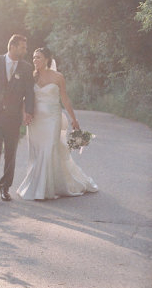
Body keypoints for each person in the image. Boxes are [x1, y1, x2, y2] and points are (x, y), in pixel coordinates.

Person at [16, 46, 98, 200]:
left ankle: (45, 189)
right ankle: (39, 185)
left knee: (50, 148)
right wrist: (24, 114)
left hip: (53, 118)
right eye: (33, 57)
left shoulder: (58, 77)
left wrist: (74, 119)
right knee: (37, 152)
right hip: (36, 120)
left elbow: (65, 99)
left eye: (38, 57)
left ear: (47, 59)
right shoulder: (31, 76)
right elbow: (25, 97)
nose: (35, 60)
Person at [0, 34, 35, 201]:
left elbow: (29, 93)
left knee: (11, 154)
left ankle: (5, 187)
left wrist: (28, 112)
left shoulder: (26, 68)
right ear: (13, 46)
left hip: (13, 118)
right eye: (23, 47)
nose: (25, 50)